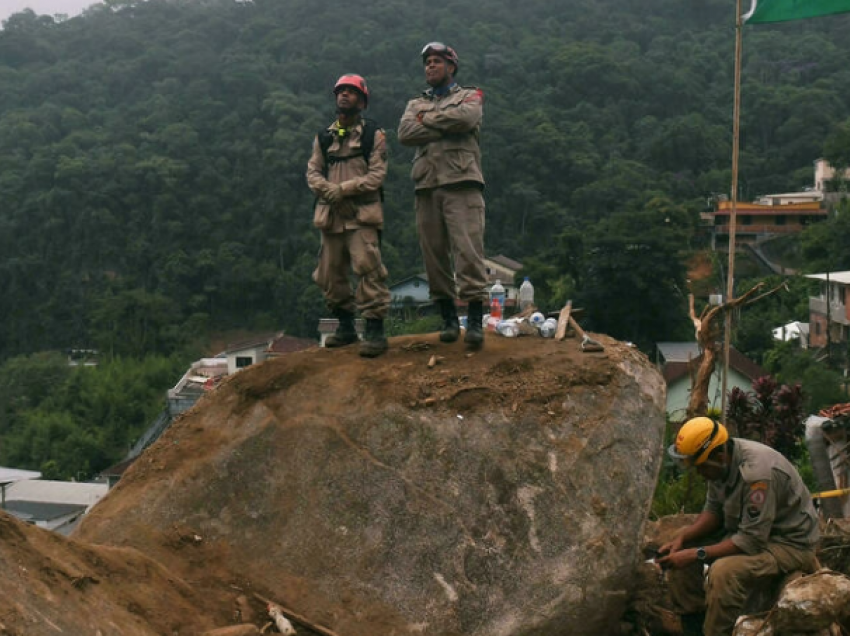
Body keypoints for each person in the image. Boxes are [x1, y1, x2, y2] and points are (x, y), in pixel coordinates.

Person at [657, 417, 820, 636]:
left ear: (719, 456)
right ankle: (693, 626)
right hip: (750, 530)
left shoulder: (757, 475)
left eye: (701, 467)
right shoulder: (719, 464)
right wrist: (684, 538)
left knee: (724, 572)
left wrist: (697, 553)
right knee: (680, 542)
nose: (699, 473)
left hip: (789, 543)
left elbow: (751, 541)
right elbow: (714, 511)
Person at [398, 42, 487, 347]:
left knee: (468, 251)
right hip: (426, 186)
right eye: (427, 63)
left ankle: (475, 319)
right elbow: (405, 133)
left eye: (437, 61)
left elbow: (466, 119)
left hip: (462, 181)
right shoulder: (414, 104)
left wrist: (429, 121)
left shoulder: (470, 95)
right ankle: (448, 319)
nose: (430, 66)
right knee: (433, 255)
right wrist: (443, 124)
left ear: (451, 66)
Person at [306, 74, 390, 358]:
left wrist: (341, 190)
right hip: (331, 216)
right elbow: (312, 173)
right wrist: (330, 192)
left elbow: (377, 176)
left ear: (362, 101)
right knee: (329, 273)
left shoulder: (372, 135)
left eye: (351, 92)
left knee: (368, 268)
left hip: (361, 215)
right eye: (340, 91)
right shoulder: (324, 136)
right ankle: (345, 328)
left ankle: (375, 331)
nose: (344, 95)